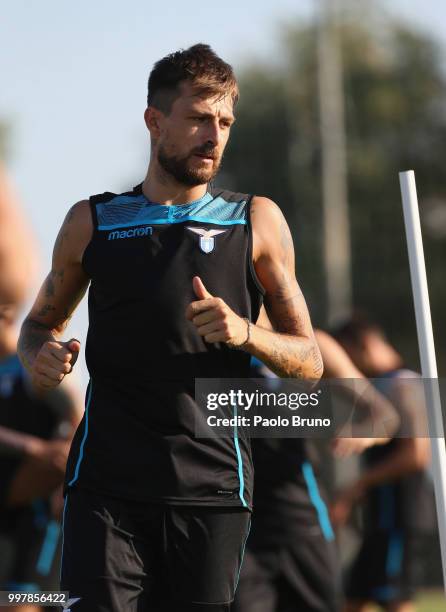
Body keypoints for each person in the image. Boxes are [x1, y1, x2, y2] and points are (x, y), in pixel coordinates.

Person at [17, 44, 323, 611]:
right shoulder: (93, 221)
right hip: (105, 485)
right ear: (155, 122)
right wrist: (39, 355)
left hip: (212, 489)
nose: (215, 135)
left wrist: (245, 333)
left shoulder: (256, 221)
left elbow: (310, 363)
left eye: (225, 121)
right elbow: (37, 325)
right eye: (199, 118)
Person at [233, 321, 398, 612]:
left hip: (301, 520)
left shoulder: (313, 343)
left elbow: (385, 416)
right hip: (242, 527)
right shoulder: (220, 340)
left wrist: (363, 433)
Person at [330, 314, 436, 612]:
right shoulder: (384, 385)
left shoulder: (403, 383)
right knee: (353, 598)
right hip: (382, 517)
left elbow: (416, 454)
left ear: (362, 345)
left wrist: (356, 486)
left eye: (346, 356)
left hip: (403, 515)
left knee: (395, 598)